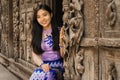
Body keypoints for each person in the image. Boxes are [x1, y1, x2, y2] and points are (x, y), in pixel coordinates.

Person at [29, 3, 64, 80]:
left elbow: (63, 55)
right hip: (44, 66)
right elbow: (35, 54)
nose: (42, 19)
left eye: (45, 15)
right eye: (38, 17)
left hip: (58, 66)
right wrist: (42, 64)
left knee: (48, 75)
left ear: (51, 15)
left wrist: (61, 41)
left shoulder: (59, 31)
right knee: (38, 74)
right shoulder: (36, 33)